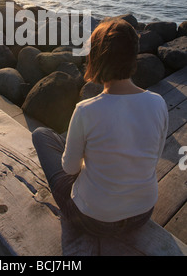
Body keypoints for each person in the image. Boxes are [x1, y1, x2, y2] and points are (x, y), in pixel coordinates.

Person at [32, 18, 169, 237]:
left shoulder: (86, 110)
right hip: (142, 213)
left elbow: (69, 169)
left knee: (42, 135)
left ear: (95, 58)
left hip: (93, 219)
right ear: (134, 56)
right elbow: (153, 157)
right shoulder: (158, 103)